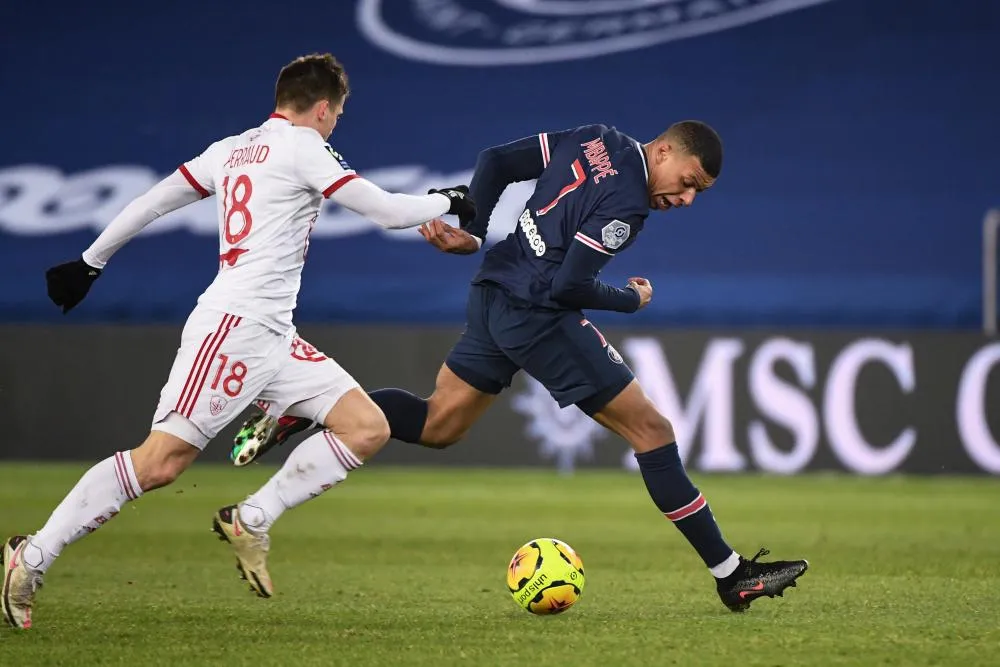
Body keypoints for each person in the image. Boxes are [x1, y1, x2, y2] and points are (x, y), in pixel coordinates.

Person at [231, 121, 809, 612]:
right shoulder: (628, 204)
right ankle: (731, 575)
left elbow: (498, 160)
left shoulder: (594, 138)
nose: (684, 200)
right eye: (688, 184)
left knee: (439, 424)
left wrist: (475, 229)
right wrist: (631, 299)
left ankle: (311, 406)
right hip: (538, 312)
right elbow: (570, 285)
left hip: (494, 289)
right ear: (664, 152)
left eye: (697, 195)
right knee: (652, 432)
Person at [0, 53, 475, 629]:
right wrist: (452, 199)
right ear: (323, 108)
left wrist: (90, 261)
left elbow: (154, 200)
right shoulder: (304, 147)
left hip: (273, 334)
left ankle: (253, 516)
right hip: (235, 328)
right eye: (338, 114)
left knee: (366, 426)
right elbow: (387, 211)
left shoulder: (231, 148)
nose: (335, 124)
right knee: (160, 463)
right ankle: (31, 557)